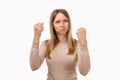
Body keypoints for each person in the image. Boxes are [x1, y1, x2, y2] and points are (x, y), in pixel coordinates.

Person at [30, 8, 91, 80]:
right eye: (57, 22)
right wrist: (36, 38)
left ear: (69, 23)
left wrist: (83, 43)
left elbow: (84, 72)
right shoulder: (46, 44)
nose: (62, 25)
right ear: (52, 25)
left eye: (65, 21)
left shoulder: (76, 44)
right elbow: (34, 66)